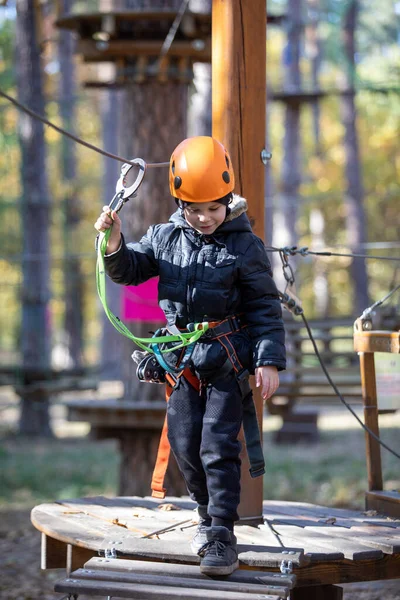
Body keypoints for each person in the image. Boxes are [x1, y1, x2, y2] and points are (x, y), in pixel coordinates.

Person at [94, 136, 286, 576]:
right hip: (182, 363)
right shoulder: (164, 237)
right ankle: (205, 516)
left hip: (226, 362)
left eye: (213, 209)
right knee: (185, 445)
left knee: (217, 447)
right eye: (194, 209)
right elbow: (131, 270)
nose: (203, 218)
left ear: (227, 199)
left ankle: (222, 534)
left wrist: (268, 359)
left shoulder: (245, 246)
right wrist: (115, 242)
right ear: (180, 201)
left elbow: (263, 307)